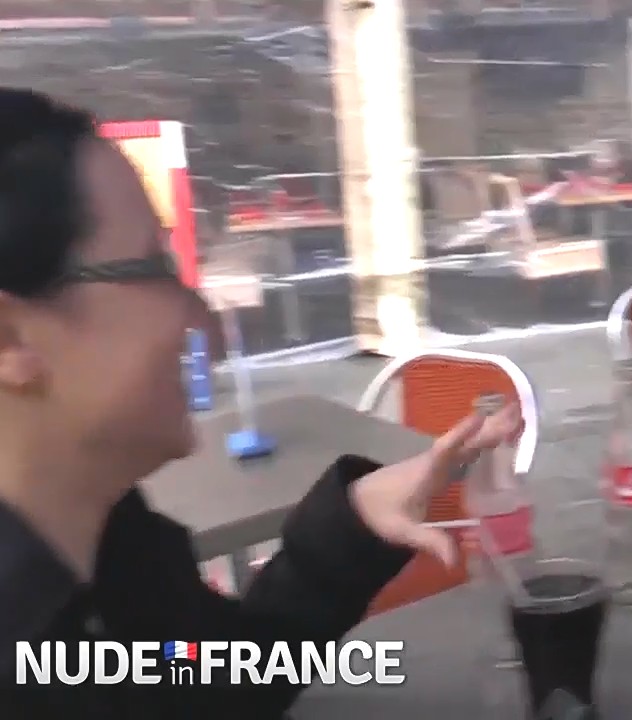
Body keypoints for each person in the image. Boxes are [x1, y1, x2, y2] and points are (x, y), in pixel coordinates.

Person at [0, 88, 518, 716]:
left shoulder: (115, 542)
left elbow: (222, 684)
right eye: (153, 267)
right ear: (10, 339)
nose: (208, 332)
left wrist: (353, 522)